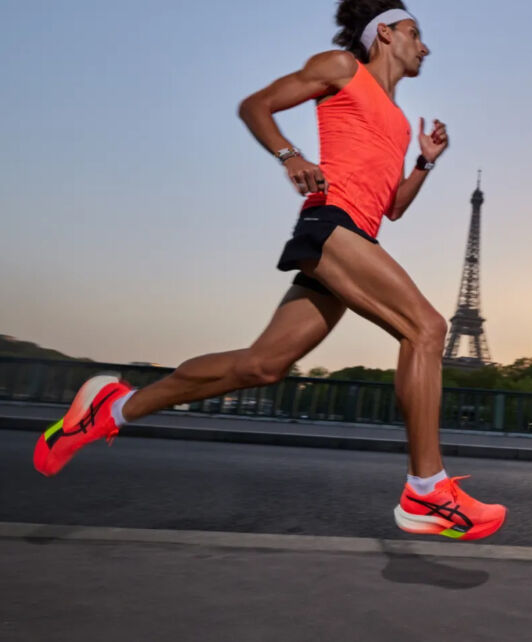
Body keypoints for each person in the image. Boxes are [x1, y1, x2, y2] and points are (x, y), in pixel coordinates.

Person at [33, 0, 507, 542]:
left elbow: (391, 206)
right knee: (427, 328)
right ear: (384, 35)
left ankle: (112, 408)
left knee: (261, 367)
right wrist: (290, 156)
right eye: (415, 33)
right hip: (332, 229)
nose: (425, 46)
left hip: (357, 239)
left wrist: (424, 162)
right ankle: (427, 491)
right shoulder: (341, 68)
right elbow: (255, 105)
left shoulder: (399, 122)